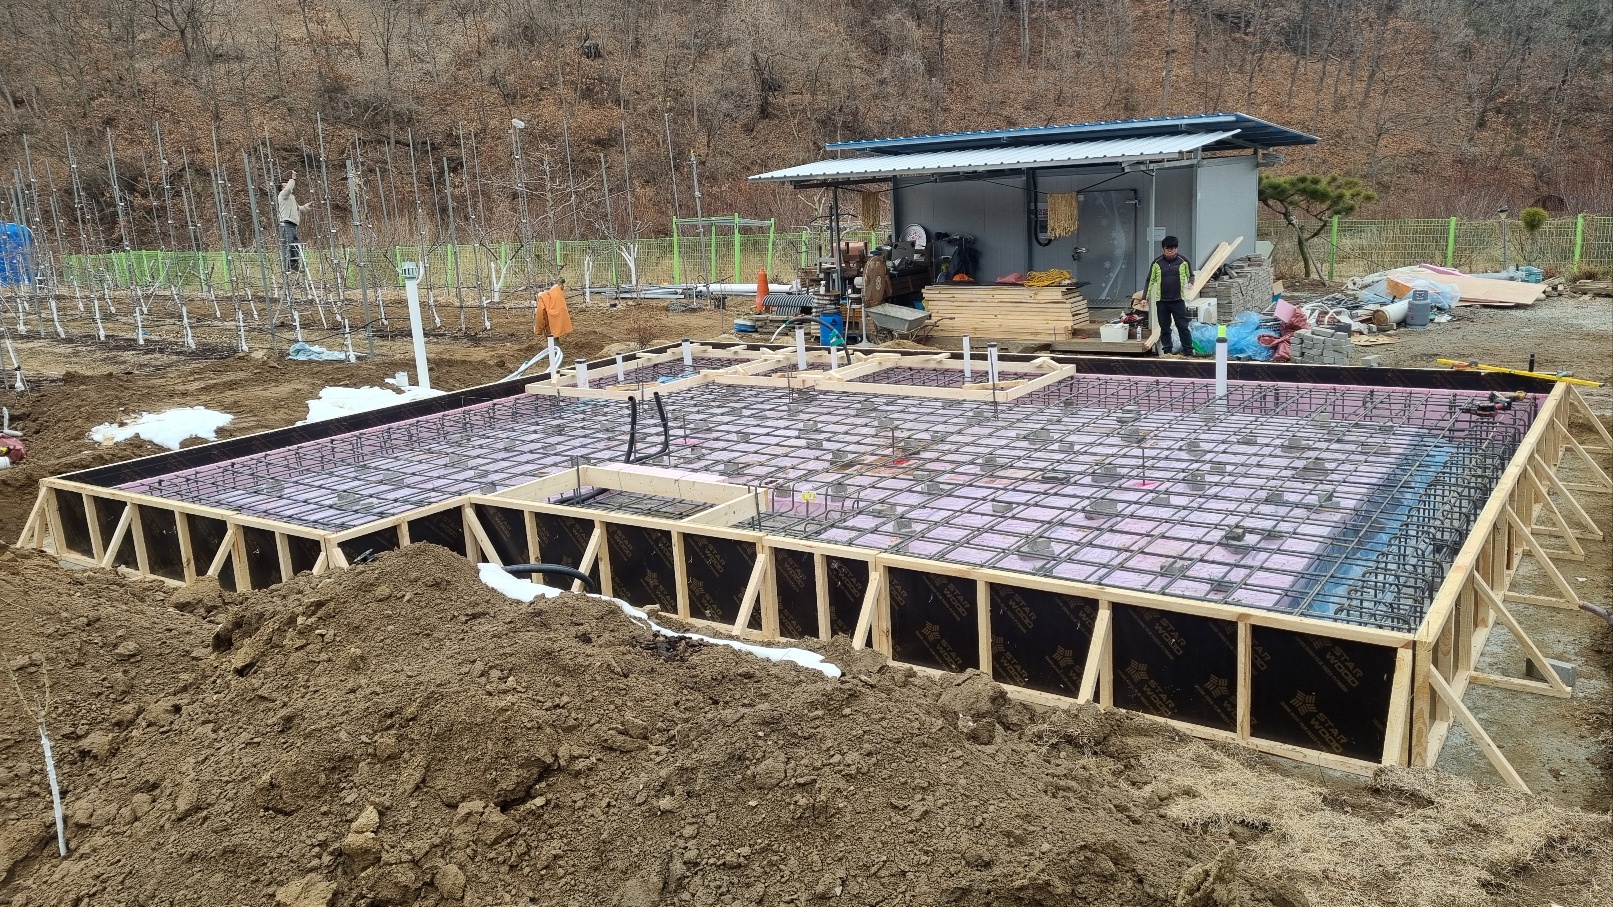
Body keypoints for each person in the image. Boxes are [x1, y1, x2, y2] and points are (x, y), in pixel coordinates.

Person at [1145, 235, 1194, 356]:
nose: (1170, 251)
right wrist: (1144, 298)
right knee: (1165, 328)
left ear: (1176, 248)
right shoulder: (1157, 262)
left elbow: (1191, 275)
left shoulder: (1184, 261)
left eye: (1173, 248)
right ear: (1163, 249)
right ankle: (1167, 351)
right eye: (1167, 248)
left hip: (1178, 300)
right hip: (1162, 301)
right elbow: (1149, 280)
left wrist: (1190, 283)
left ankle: (1188, 351)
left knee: (1183, 326)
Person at [277, 172, 314, 272]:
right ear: (281, 189)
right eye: (284, 186)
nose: (287, 187)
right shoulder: (282, 195)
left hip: (292, 224)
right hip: (286, 223)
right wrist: (292, 179)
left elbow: (299, 209)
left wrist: (307, 206)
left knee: (294, 244)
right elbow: (288, 189)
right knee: (288, 244)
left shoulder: (291, 199)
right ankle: (287, 267)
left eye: (287, 185)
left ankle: (294, 265)